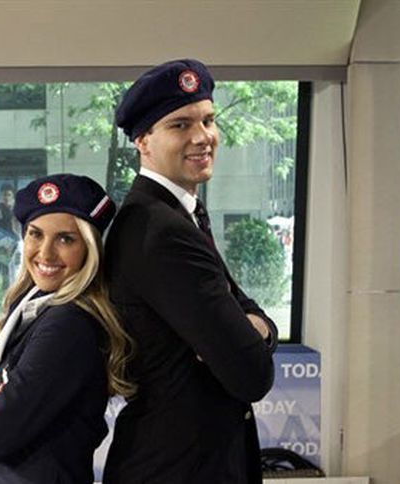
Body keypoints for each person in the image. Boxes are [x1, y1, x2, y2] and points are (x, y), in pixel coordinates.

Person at [103, 59, 279, 484]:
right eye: (180, 125)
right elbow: (252, 375)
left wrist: (255, 327)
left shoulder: (176, 215)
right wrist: (246, 331)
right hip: (178, 466)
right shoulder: (160, 229)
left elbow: (248, 312)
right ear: (143, 141)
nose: (203, 137)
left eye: (208, 120)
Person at [0, 174, 133, 483]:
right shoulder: (37, 306)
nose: (45, 253)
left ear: (89, 249)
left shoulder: (68, 324)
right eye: (35, 234)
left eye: (65, 239)